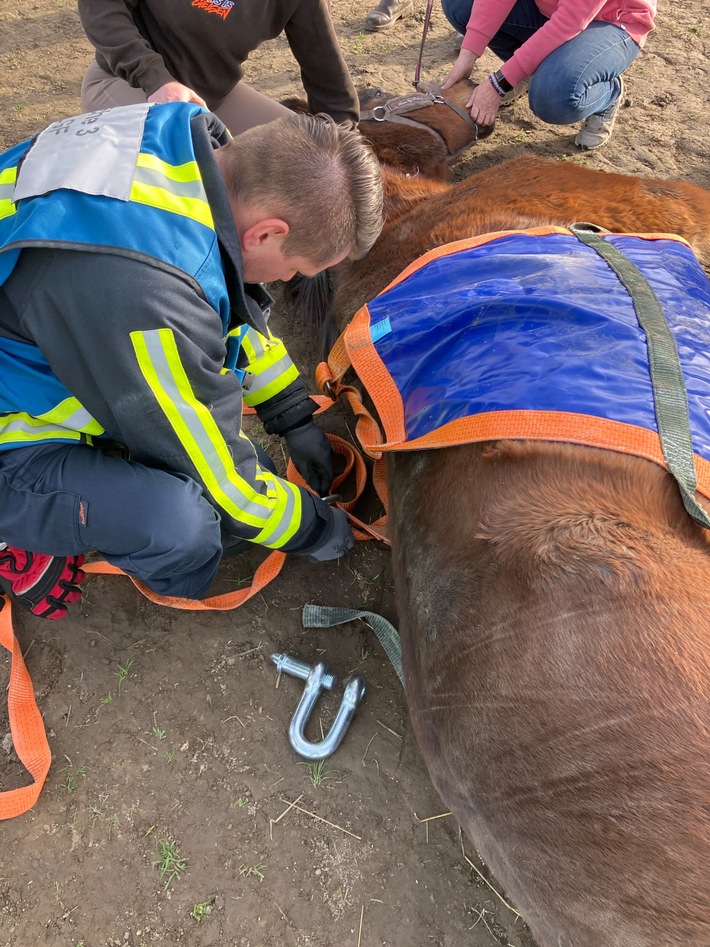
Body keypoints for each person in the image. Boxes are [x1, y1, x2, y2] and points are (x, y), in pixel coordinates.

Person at [0, 104, 384, 620]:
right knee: (186, 528)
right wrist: (312, 527)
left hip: (44, 333)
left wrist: (291, 412)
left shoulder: (184, 139)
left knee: (249, 480)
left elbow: (222, 291)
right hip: (16, 427)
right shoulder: (146, 299)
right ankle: (19, 528)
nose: (287, 280)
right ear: (267, 233)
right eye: (296, 267)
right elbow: (220, 479)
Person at [77, 0, 360, 135]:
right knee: (206, 175)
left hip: (215, 99)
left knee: (303, 157)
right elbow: (102, 11)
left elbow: (331, 85)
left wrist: (338, 140)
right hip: (129, 83)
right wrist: (156, 78)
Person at [440, 0, 656, 149]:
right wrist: (468, 56)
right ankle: (531, 70)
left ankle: (607, 93)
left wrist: (499, 85)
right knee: (461, 5)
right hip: (549, 10)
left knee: (554, 97)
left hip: (610, 21)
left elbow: (569, 20)